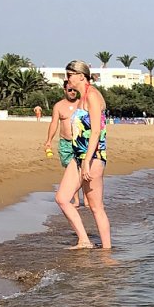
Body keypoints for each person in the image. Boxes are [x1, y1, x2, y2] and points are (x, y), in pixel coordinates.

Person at [55, 60, 111, 250]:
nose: (67, 79)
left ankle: (107, 252)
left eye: (69, 75)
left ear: (81, 76)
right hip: (78, 156)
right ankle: (84, 240)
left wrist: (87, 161)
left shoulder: (92, 95)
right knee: (62, 198)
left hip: (93, 158)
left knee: (96, 207)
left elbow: (96, 131)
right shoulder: (81, 97)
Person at [44, 81, 86, 209]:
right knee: (70, 171)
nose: (72, 92)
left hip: (80, 141)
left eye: (74, 90)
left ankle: (86, 199)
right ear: (64, 90)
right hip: (65, 143)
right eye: (70, 90)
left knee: (83, 169)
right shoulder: (59, 106)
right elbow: (54, 124)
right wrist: (49, 140)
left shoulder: (82, 103)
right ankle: (76, 200)